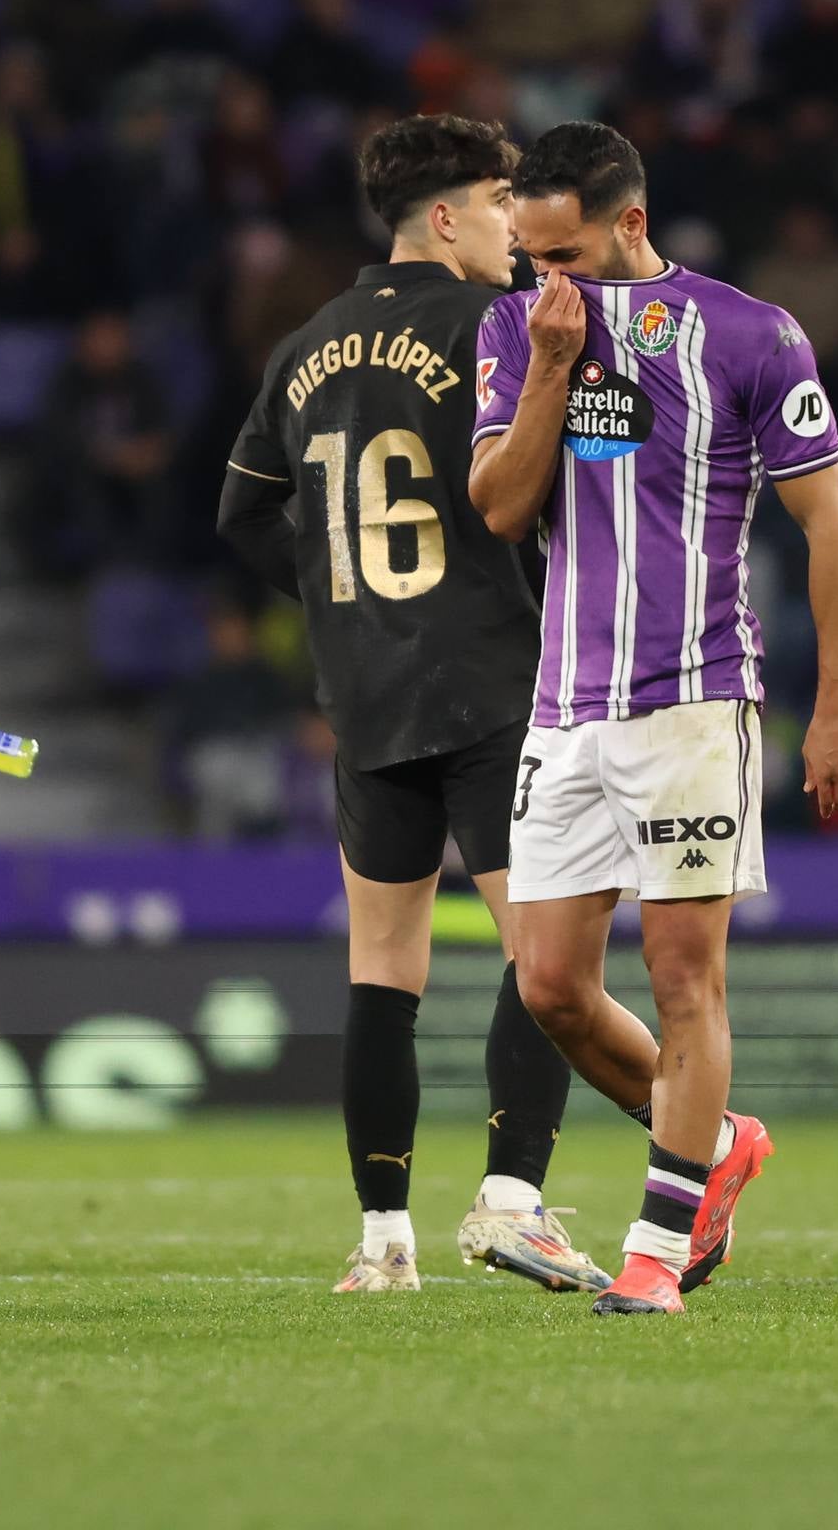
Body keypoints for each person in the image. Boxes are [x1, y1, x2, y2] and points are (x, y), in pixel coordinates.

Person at [468, 121, 838, 1317]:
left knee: (684, 973)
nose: (546, 278)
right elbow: (496, 507)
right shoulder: (513, 330)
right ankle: (716, 1144)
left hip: (695, 699)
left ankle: (654, 1257)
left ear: (629, 225)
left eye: (566, 254)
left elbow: (831, 525)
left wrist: (836, 706)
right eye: (529, 256)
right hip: (563, 711)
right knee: (547, 988)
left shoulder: (750, 334)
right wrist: (547, 366)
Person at [215, 114, 604, 1297]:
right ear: (445, 216)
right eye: (497, 203)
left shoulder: (305, 346)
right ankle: (511, 1199)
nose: (512, 229)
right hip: (491, 680)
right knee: (548, 961)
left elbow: (242, 519)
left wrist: (344, 607)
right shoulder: (496, 328)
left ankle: (382, 1239)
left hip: (368, 695)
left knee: (383, 974)